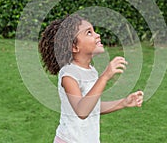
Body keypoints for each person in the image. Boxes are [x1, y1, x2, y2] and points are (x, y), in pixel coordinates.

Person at [38, 14, 144, 143]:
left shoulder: (91, 71)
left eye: (93, 30)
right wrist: (105, 77)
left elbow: (92, 107)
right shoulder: (69, 75)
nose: (97, 35)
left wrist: (124, 102)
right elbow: (82, 110)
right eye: (89, 33)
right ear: (74, 47)